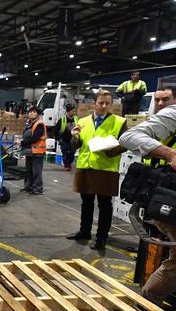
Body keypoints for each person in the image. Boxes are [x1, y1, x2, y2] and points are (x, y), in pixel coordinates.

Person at [119, 93, 176, 307]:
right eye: (158, 100)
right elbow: (129, 137)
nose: (160, 104)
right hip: (169, 198)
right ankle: (148, 301)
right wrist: (169, 154)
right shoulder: (172, 115)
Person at [66, 90, 127, 250]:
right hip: (85, 167)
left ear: (111, 104)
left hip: (106, 168)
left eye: (107, 103)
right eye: (101, 103)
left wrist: (108, 149)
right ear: (94, 103)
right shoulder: (83, 121)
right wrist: (75, 137)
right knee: (86, 202)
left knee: (105, 205)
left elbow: (125, 144)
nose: (104, 106)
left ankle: (101, 237)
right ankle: (84, 231)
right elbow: (76, 145)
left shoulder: (119, 122)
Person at [19, 106, 46, 194]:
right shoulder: (30, 123)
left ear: (37, 114)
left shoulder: (39, 124)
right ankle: (28, 187)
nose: (31, 113)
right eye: (30, 112)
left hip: (37, 152)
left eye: (34, 112)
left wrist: (22, 142)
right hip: (30, 151)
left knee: (36, 171)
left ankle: (37, 188)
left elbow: (35, 138)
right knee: (28, 170)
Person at [56, 104, 78, 171]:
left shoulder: (76, 119)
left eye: (74, 111)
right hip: (64, 140)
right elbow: (56, 129)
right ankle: (67, 165)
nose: (74, 113)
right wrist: (58, 139)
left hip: (73, 140)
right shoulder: (62, 119)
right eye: (72, 111)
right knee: (65, 153)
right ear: (68, 111)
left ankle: (69, 163)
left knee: (72, 153)